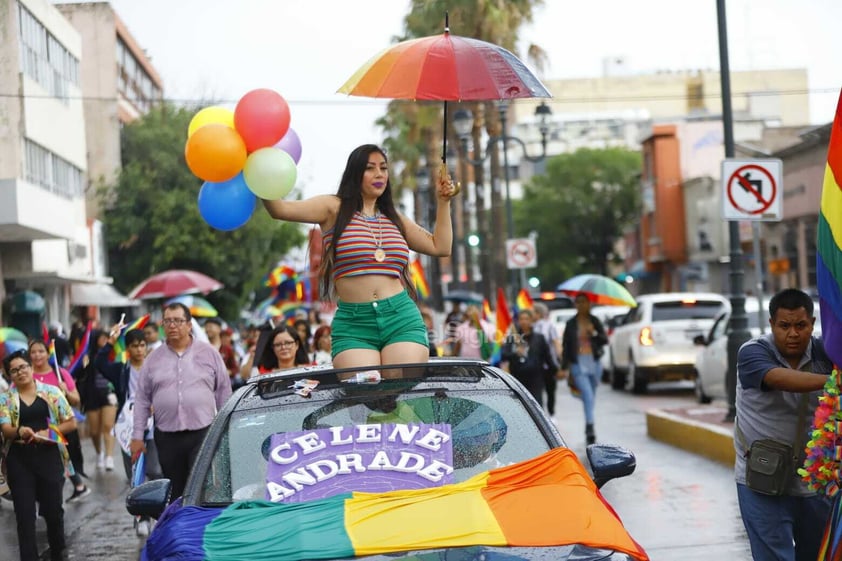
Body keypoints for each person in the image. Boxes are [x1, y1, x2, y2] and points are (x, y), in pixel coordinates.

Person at [262, 144, 456, 368]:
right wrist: (259, 173)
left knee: (400, 382)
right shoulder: (333, 208)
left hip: (400, 316)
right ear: (355, 173)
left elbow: (441, 246)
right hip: (355, 322)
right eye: (370, 168)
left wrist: (444, 202)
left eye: (383, 168)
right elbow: (280, 209)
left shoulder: (394, 218)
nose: (379, 174)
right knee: (364, 387)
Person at [734, 288, 832, 561]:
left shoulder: (827, 352)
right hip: (762, 479)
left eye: (801, 325)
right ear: (771, 325)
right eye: (784, 326)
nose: (793, 334)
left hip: (814, 480)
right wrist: (834, 381)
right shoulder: (752, 352)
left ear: (812, 324)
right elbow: (779, 379)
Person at [129, 303, 231, 500]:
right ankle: (179, 527)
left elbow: (223, 391)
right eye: (167, 321)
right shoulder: (153, 359)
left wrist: (225, 429)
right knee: (175, 490)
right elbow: (142, 399)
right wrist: (137, 436)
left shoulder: (208, 353)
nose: (172, 326)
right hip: (167, 435)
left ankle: (199, 526)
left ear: (189, 324)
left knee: (201, 487)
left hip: (203, 432)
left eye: (177, 321)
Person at [1, 349, 77, 561]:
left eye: (23, 367)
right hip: (19, 459)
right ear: (9, 375)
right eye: (14, 370)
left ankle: (58, 552)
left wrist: (48, 433)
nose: (20, 372)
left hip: (49, 456)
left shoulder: (51, 392)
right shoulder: (6, 398)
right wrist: (20, 431)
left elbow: (71, 422)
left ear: (31, 367)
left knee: (53, 511)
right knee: (24, 516)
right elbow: (5, 428)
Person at [27, 339, 89, 502]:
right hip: (35, 430)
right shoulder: (26, 374)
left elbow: (76, 400)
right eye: (33, 352)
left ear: (48, 354)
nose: (37, 355)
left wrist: (66, 392)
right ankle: (77, 487)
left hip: (60, 428)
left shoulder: (60, 373)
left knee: (59, 464)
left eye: (41, 351)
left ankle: (54, 503)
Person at [561, 294, 609, 444]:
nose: (581, 305)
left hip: (594, 363)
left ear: (589, 304)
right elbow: (566, 346)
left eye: (584, 302)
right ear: (575, 305)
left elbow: (604, 340)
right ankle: (590, 427)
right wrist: (564, 367)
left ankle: (589, 420)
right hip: (578, 363)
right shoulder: (571, 323)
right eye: (579, 302)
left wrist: (593, 333)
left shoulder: (594, 321)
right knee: (588, 395)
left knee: (590, 396)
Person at [76, 329, 118, 471]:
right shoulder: (88, 356)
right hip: (91, 395)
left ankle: (109, 457)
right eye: (102, 338)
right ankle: (99, 453)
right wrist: (84, 365)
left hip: (109, 392)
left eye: (107, 338)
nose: (105, 341)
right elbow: (79, 374)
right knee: (94, 431)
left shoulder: (113, 355)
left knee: (108, 426)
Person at [502, 308, 559, 406]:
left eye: (526, 319)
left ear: (532, 321)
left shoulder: (539, 338)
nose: (524, 321)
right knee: (519, 405)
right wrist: (515, 353)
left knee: (536, 405)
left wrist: (556, 370)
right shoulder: (512, 338)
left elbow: (547, 357)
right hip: (517, 378)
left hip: (535, 378)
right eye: (521, 319)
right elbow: (504, 356)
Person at [533, 302, 563, 422]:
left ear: (538, 313)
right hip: (538, 365)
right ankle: (542, 415)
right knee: (539, 390)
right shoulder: (532, 326)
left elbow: (556, 342)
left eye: (533, 312)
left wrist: (560, 359)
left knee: (550, 390)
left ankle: (551, 414)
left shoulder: (549, 326)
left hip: (549, 364)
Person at [243, 325, 311, 378]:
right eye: (278, 345)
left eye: (288, 343)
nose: (283, 347)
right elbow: (244, 375)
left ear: (297, 345)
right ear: (272, 347)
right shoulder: (263, 375)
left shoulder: (311, 370)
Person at [204, 318, 241, 389]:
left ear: (219, 329)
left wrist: (227, 372)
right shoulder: (202, 348)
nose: (207, 329)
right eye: (206, 327)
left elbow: (235, 369)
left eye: (210, 327)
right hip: (206, 386)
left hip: (223, 387)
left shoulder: (227, 349)